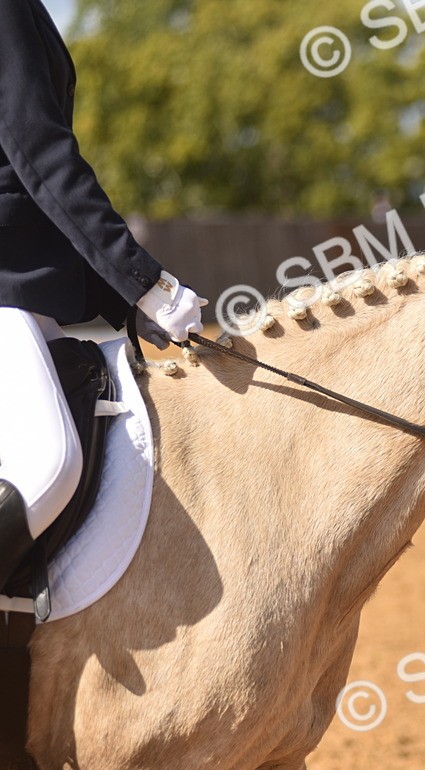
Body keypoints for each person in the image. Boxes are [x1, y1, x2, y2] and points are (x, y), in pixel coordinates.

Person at [0, 0, 207, 590]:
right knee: (49, 465)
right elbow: (41, 156)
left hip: (22, 293)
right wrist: (146, 285)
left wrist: (124, 301)